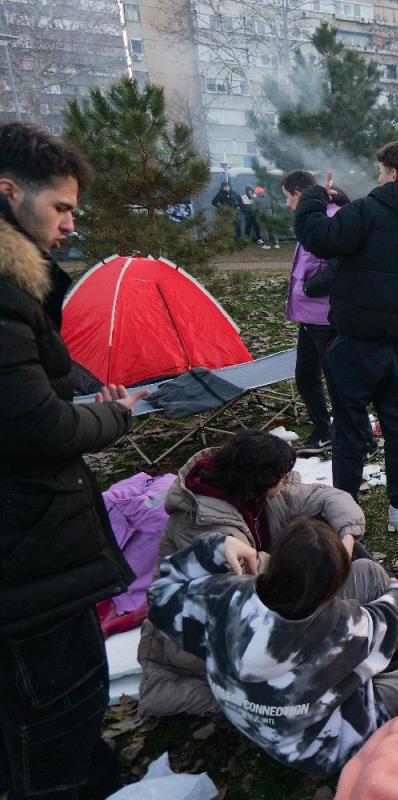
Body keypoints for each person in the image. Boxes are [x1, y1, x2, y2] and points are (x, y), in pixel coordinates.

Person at [0, 122, 147, 799]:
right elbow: (36, 422)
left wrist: (82, 387)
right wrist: (113, 414)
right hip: (26, 554)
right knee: (54, 718)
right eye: (60, 208)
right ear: (9, 192)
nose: (68, 225)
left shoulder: (20, 289)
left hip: (28, 545)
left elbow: (30, 378)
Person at [147, 520, 398, 776]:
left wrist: (216, 547)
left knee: (369, 572)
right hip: (325, 742)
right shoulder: (340, 627)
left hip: (255, 714)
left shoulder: (222, 595)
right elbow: (392, 612)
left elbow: (160, 594)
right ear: (329, 589)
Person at [134, 431, 398, 717]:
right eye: (281, 476)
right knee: (339, 562)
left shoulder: (261, 493)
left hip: (268, 603)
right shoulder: (204, 522)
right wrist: (322, 561)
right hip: (226, 632)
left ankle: (395, 626)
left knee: (347, 551)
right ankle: (388, 627)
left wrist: (347, 539)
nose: (286, 481)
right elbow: (251, 585)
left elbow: (328, 497)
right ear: (259, 479)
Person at [293, 142, 398, 532]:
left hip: (357, 341)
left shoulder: (367, 211)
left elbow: (319, 236)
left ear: (393, 173)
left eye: (380, 170)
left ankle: (346, 511)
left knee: (348, 427)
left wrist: (315, 194)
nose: (377, 176)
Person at [282, 170, 349, 454]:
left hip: (325, 315)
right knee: (306, 376)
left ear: (299, 193)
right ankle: (324, 430)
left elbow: (340, 264)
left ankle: (351, 434)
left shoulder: (331, 217)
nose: (287, 204)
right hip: (308, 315)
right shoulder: (312, 218)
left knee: (337, 379)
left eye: (287, 197)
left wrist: (311, 288)